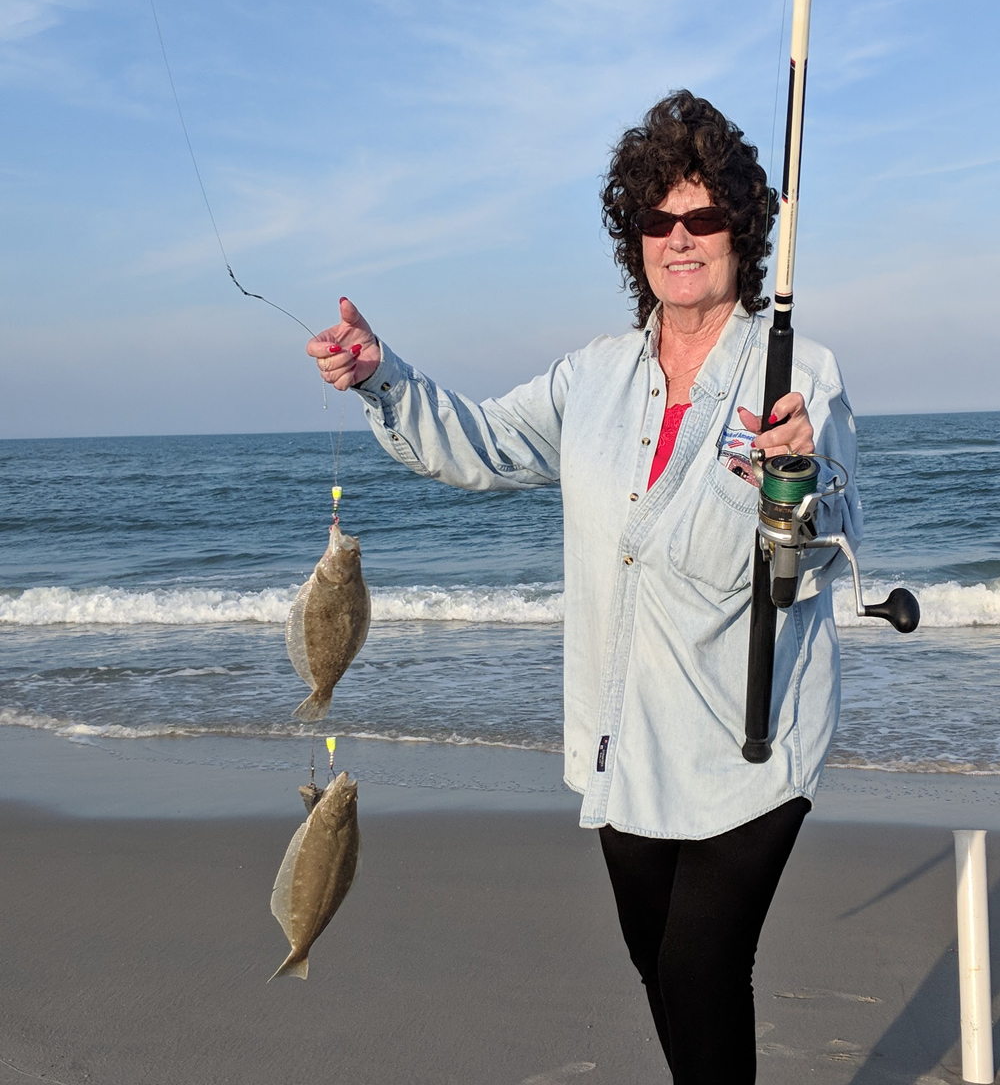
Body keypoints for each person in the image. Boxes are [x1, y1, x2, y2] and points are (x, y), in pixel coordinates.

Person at [306, 90, 861, 1084]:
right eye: (657, 219)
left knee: (698, 968)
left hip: (749, 744)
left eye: (703, 218)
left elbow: (824, 544)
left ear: (742, 232)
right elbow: (478, 443)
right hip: (621, 743)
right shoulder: (593, 378)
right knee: (660, 971)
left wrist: (800, 475)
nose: (679, 238)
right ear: (632, 236)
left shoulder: (798, 377)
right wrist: (383, 376)